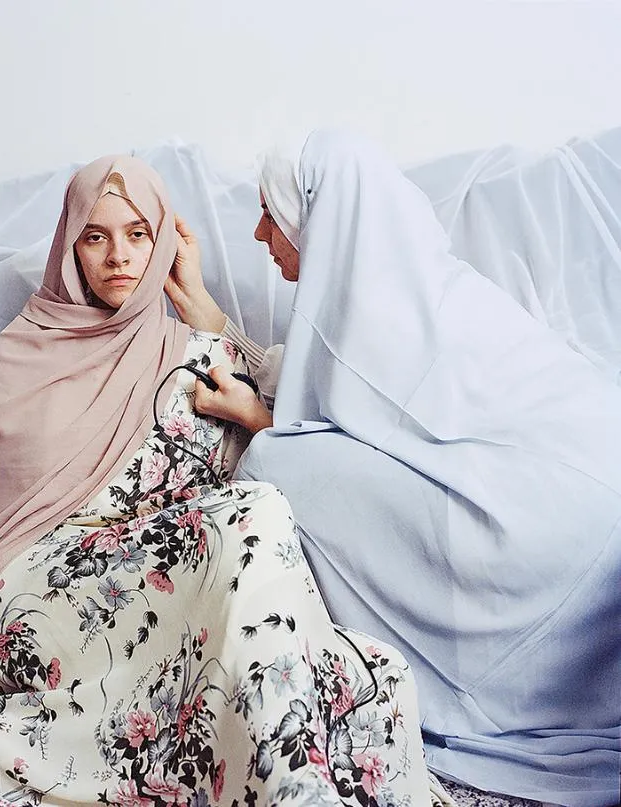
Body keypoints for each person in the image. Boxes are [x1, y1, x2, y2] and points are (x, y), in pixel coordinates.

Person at [0, 155, 452, 807]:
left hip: (166, 597)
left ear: (163, 244)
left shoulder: (201, 361)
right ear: (70, 246)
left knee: (371, 669)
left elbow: (284, 470)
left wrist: (212, 333)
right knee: (256, 526)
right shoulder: (20, 355)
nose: (118, 255)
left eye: (137, 234)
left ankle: (294, 779)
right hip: (34, 599)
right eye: (95, 236)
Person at [168, 129, 621, 807]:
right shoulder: (417, 287)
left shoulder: (388, 307)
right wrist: (217, 324)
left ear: (319, 216)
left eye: (272, 212)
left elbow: (347, 424)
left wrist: (262, 424)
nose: (260, 233)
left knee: (270, 465)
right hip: (588, 502)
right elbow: (337, 383)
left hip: (548, 528)